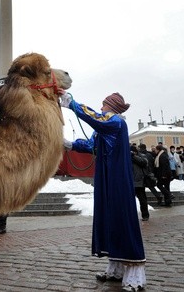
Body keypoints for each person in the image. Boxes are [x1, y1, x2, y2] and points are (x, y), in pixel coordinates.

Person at [62, 92, 146, 291]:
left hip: (117, 178)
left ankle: (135, 274)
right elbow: (92, 145)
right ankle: (115, 268)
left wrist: (73, 104)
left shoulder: (116, 122)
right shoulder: (106, 127)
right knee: (109, 218)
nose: (101, 108)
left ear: (112, 107)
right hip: (106, 177)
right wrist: (71, 144)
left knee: (122, 218)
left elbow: (95, 118)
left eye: (104, 105)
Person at [130, 145, 155, 221]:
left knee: (142, 200)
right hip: (130, 181)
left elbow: (143, 162)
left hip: (139, 181)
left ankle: (145, 215)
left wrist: (133, 156)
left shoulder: (142, 156)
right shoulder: (127, 157)